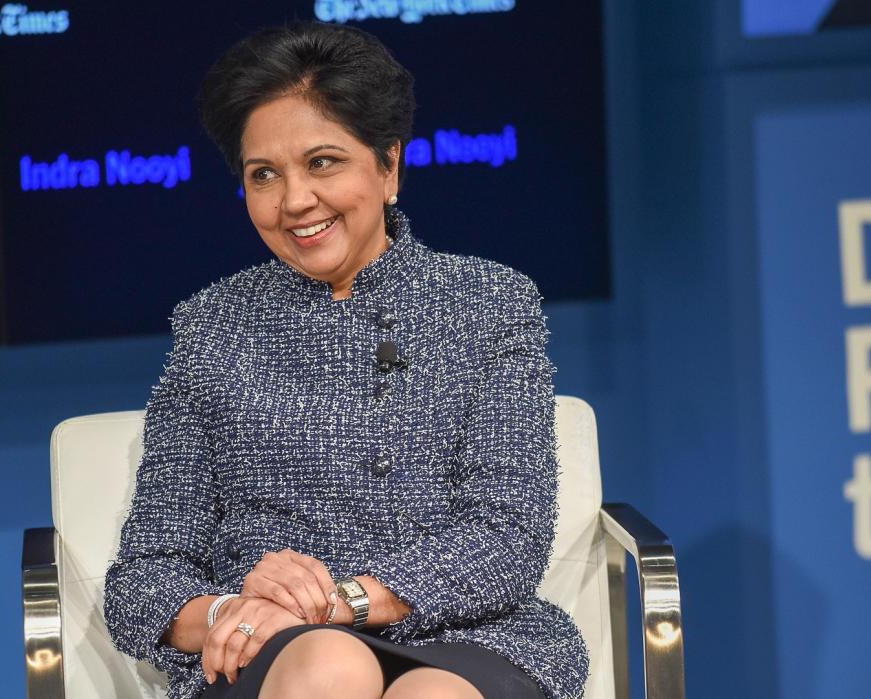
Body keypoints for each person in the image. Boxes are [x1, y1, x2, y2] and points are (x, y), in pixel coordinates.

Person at [104, 22, 588, 699]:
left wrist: (344, 600)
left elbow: (506, 536)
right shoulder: (211, 326)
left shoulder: (489, 304)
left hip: (469, 637)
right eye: (263, 174)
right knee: (332, 667)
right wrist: (227, 612)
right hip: (278, 653)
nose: (295, 200)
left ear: (389, 166)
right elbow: (144, 576)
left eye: (323, 162)